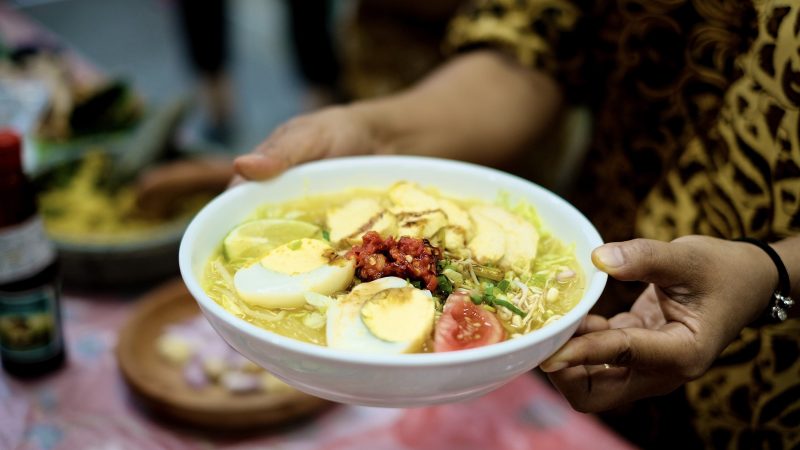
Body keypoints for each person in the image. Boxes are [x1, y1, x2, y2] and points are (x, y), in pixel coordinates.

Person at [232, 1, 800, 448]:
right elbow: (537, 42)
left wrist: (771, 273)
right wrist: (377, 133)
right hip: (597, 289)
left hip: (774, 386)